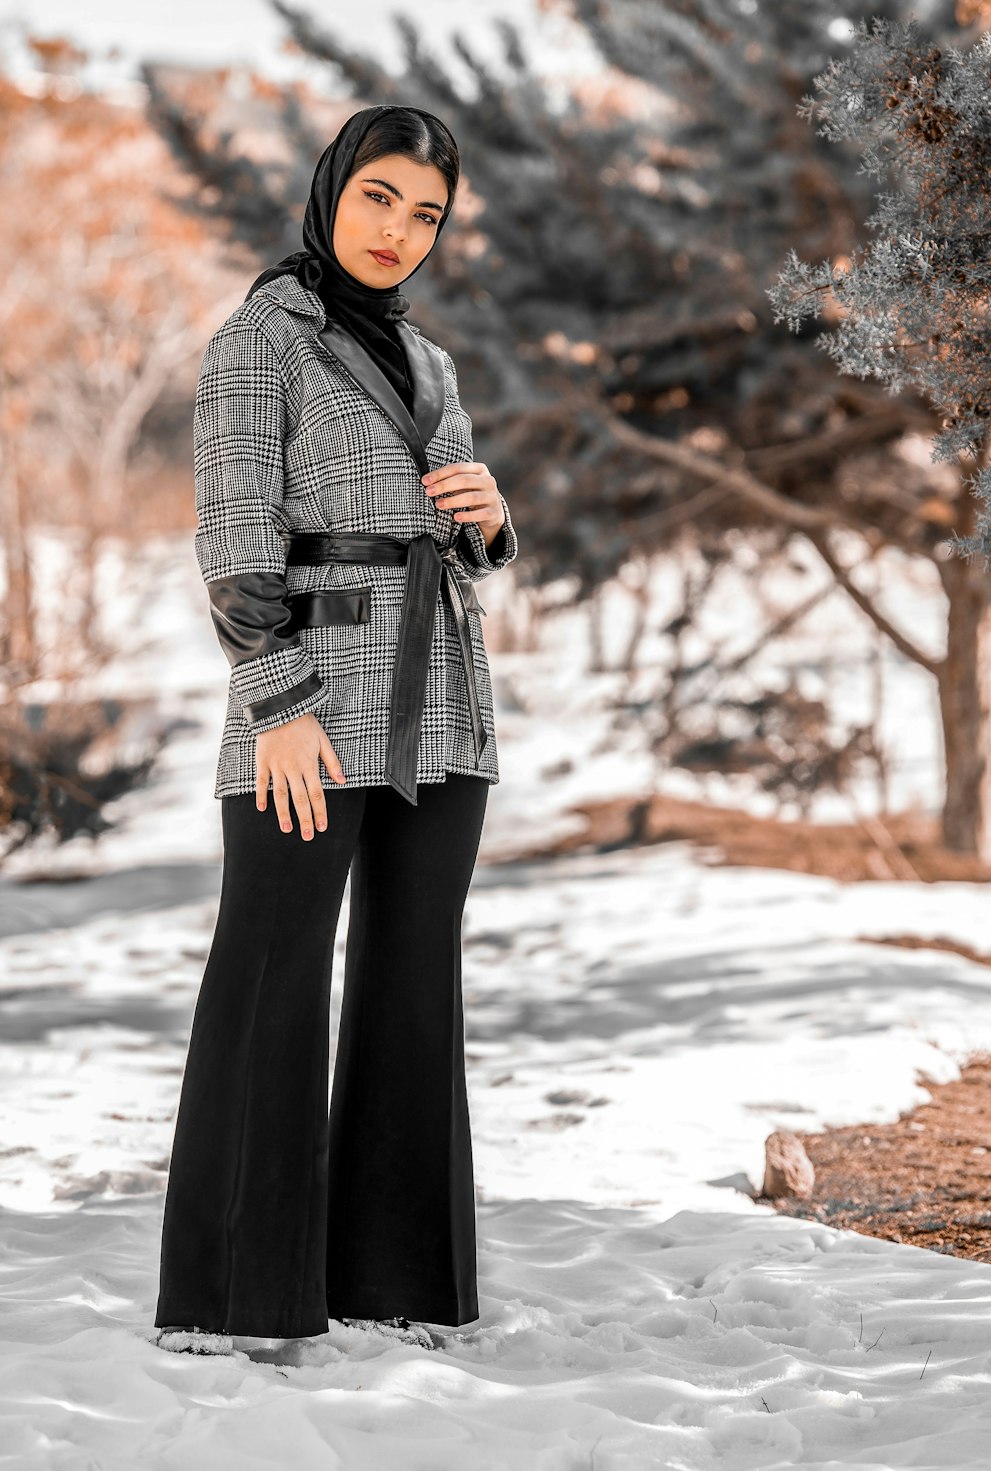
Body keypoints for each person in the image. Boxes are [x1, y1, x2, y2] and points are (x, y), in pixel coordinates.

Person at [152, 103, 518, 1357]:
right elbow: (233, 539)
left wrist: (486, 515)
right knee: (269, 978)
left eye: (426, 214)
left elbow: (456, 525)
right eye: (380, 198)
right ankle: (228, 1301)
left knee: (416, 983)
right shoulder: (258, 342)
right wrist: (279, 709)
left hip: (445, 703)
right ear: (331, 189)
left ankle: (402, 1283)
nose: (399, 231)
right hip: (310, 700)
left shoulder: (432, 363)